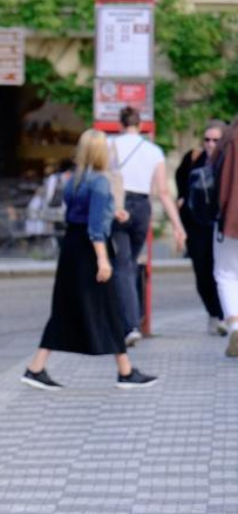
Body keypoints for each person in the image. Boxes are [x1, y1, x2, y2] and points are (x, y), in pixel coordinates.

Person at [21, 129, 160, 390]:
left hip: (71, 249)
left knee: (66, 309)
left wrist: (111, 212)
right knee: (108, 307)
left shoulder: (74, 179)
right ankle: (125, 372)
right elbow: (95, 227)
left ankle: (36, 367)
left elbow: (79, 214)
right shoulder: (99, 182)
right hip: (89, 250)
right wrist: (103, 260)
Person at [108, 106, 187, 346]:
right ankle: (132, 320)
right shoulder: (154, 151)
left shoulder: (111, 144)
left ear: (120, 124)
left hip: (118, 205)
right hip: (142, 207)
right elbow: (163, 192)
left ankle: (129, 324)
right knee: (130, 264)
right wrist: (178, 226)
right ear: (140, 125)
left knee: (121, 265)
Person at [176, 120, 227, 336]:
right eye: (207, 139)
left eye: (216, 140)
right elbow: (180, 183)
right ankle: (214, 312)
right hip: (196, 225)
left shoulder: (228, 161)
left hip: (220, 224)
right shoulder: (194, 158)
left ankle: (225, 315)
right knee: (202, 272)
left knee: (222, 272)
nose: (210, 144)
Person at [215, 115, 238, 357]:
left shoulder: (230, 136)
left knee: (226, 274)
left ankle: (234, 326)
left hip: (232, 216)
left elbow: (215, 177)